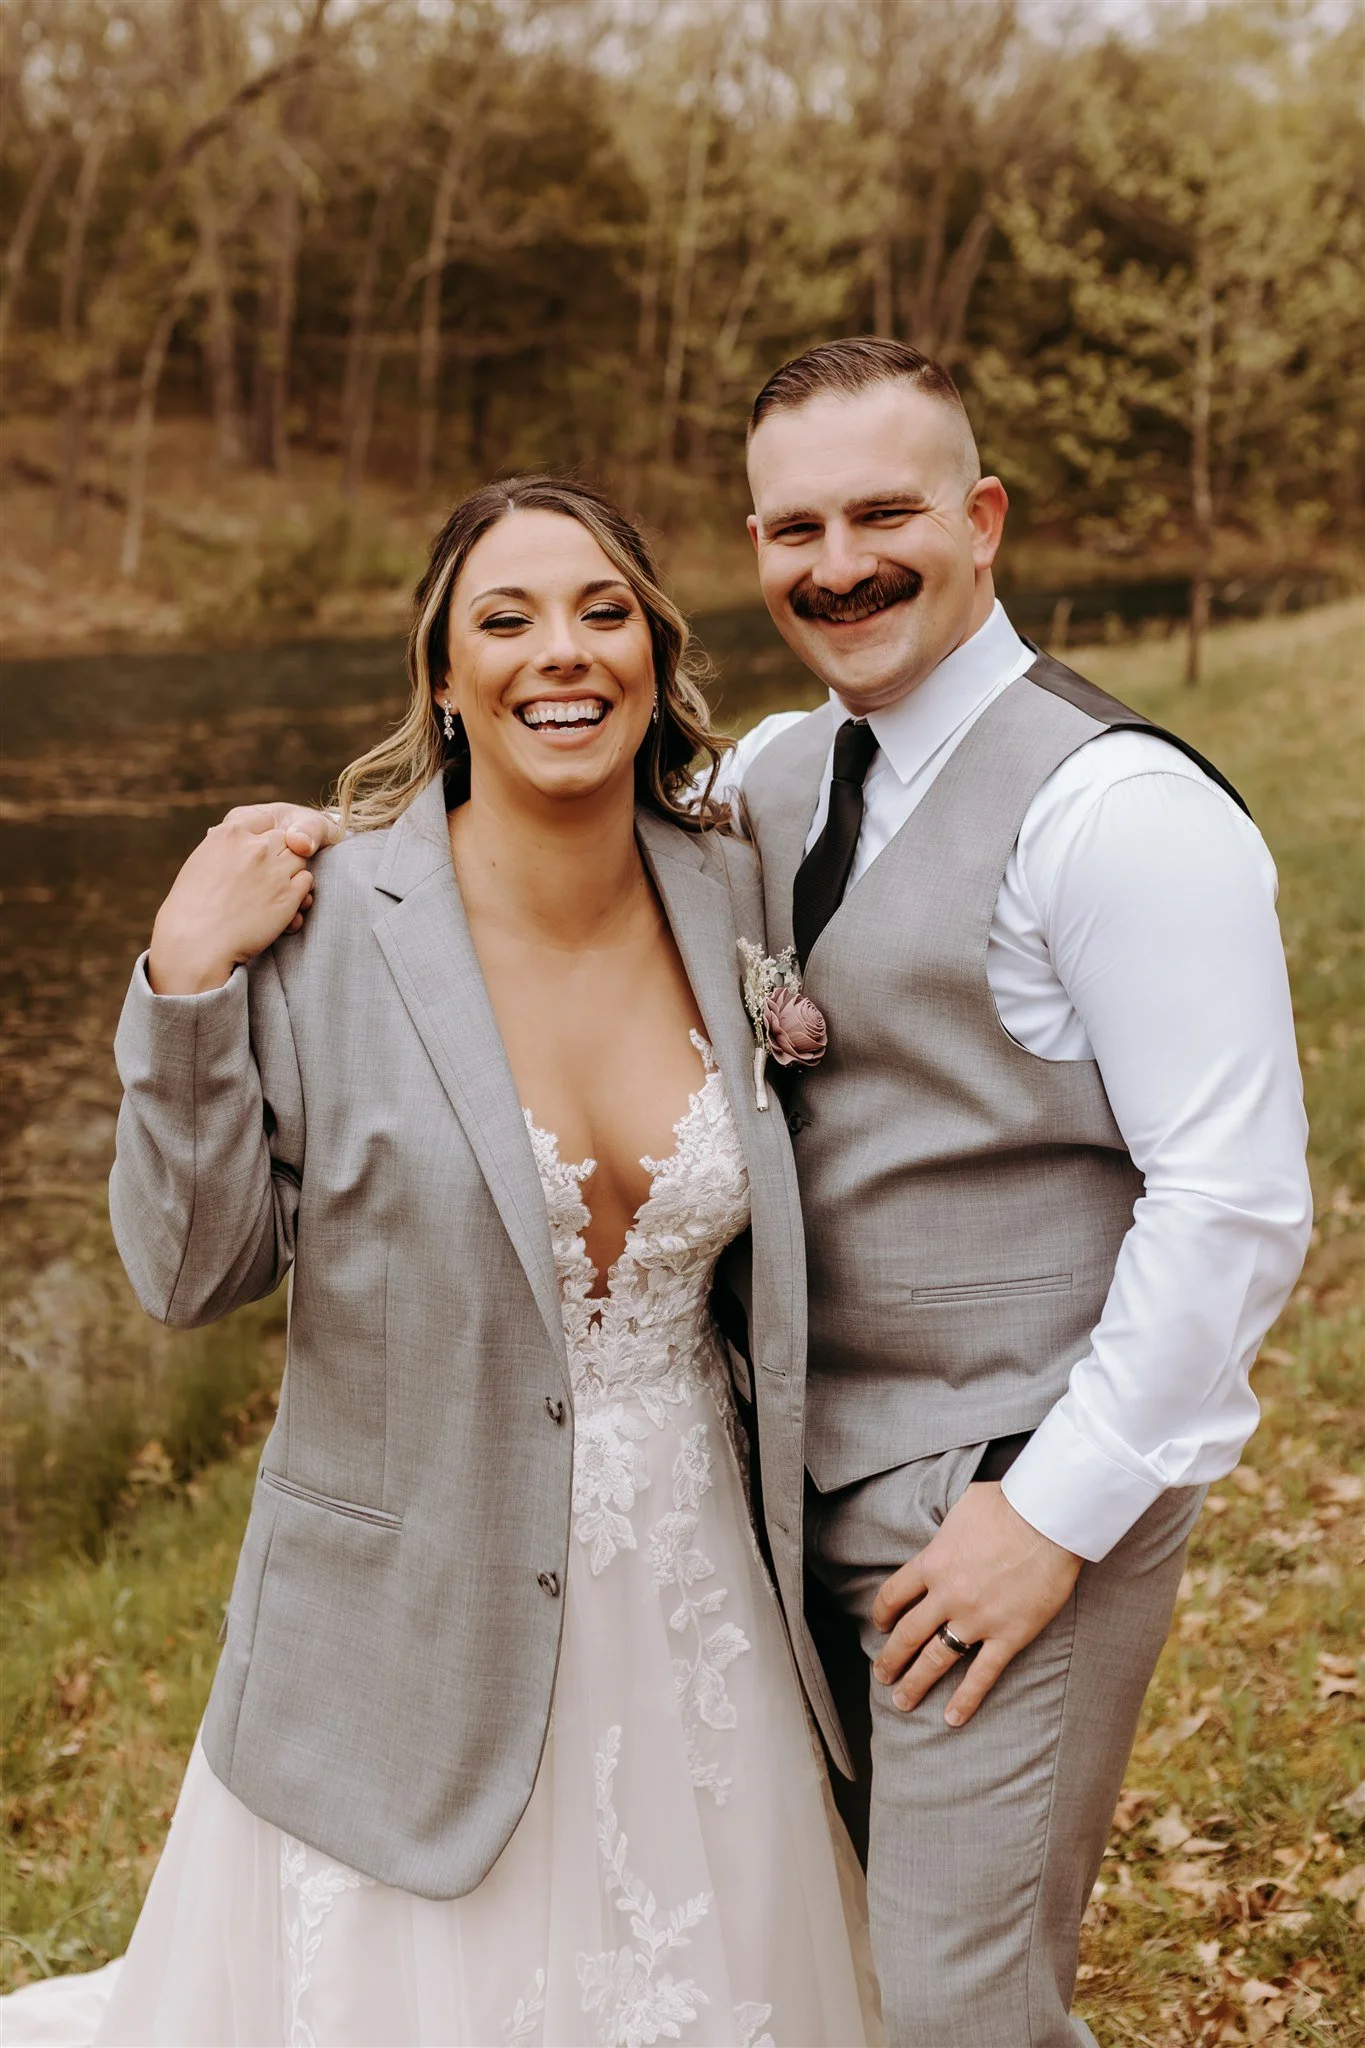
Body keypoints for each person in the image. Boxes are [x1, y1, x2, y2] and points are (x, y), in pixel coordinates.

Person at [0, 478, 876, 2047]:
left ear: (656, 656)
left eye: (604, 611)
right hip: (400, 1624)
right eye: (509, 617)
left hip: (695, 1609)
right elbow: (192, 1275)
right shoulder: (324, 924)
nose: (565, 653)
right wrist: (184, 978)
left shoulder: (732, 884)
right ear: (445, 678)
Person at [720, 337, 1313, 2046]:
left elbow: (1235, 1205)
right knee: (830, 1956)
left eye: (885, 511)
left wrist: (1048, 1518)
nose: (837, 565)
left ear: (983, 519)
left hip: (1003, 1492)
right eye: (791, 528)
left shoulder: (1118, 811)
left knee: (957, 2007)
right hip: (794, 1483)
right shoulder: (773, 772)